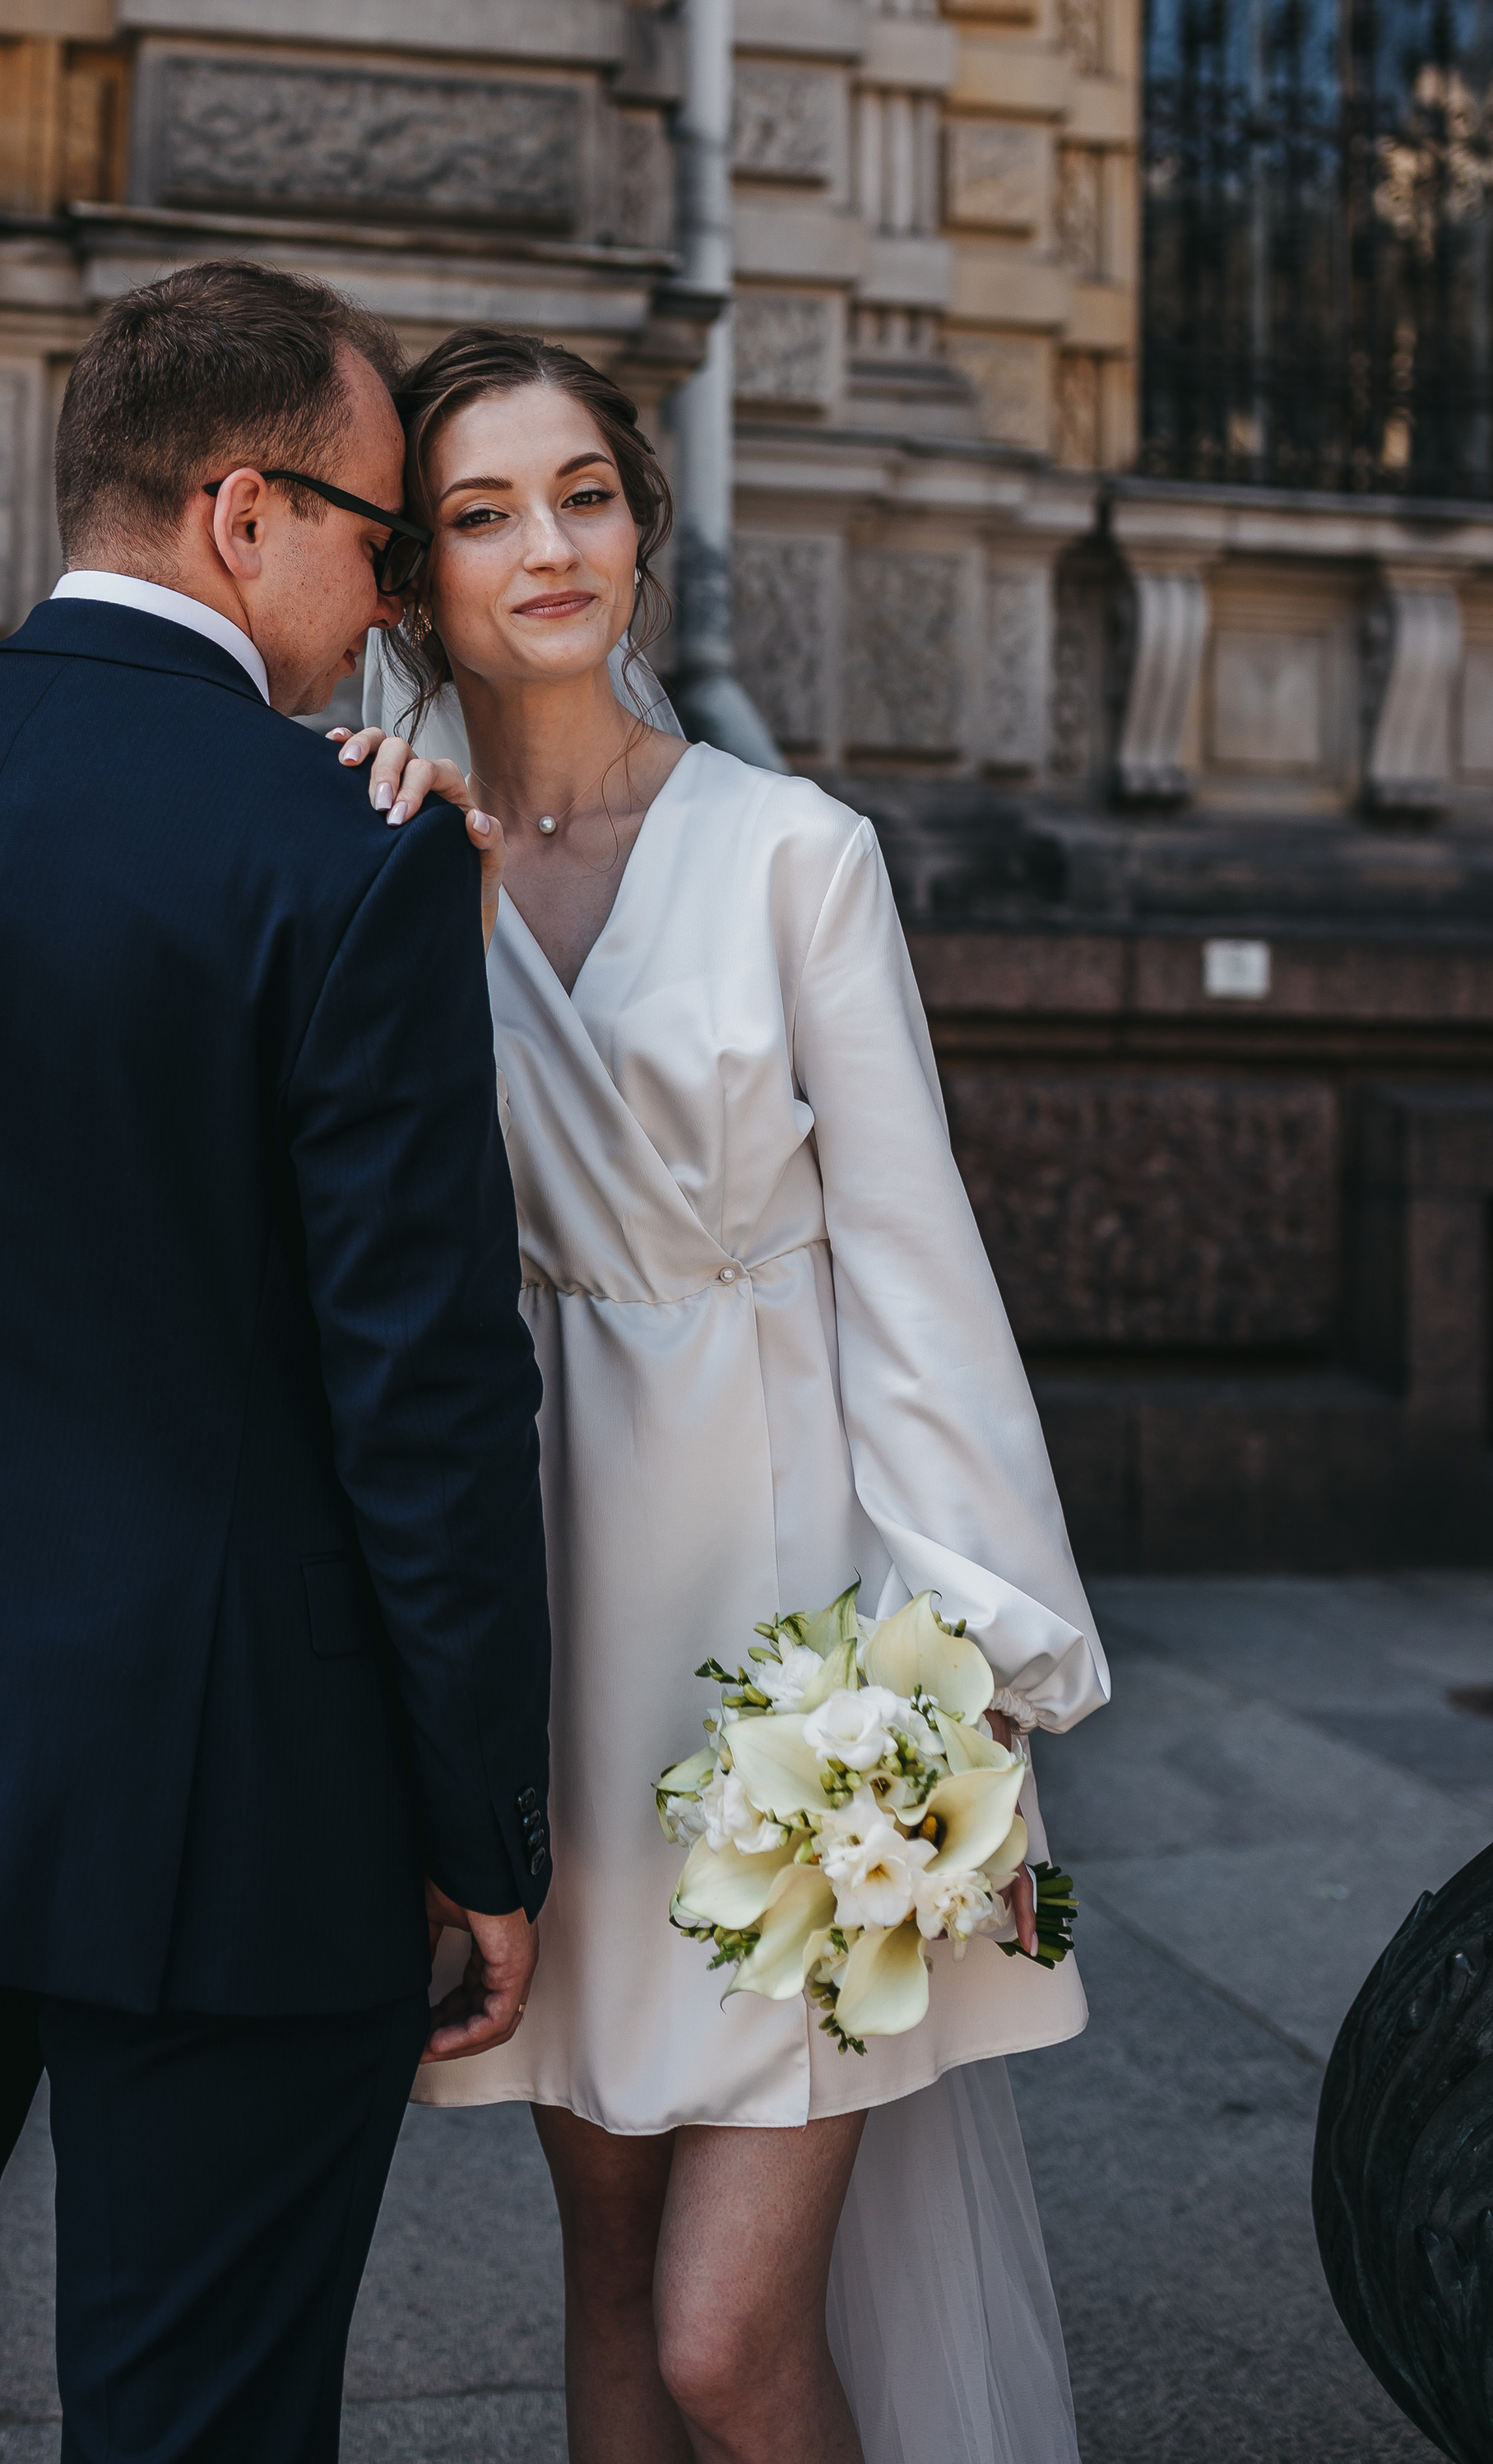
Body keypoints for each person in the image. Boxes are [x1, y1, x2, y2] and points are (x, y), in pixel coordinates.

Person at [0, 261, 552, 2464]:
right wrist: (483, 1836)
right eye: (380, 538)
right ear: (247, 519)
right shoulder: (345, 864)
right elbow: (423, 1400)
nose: (392, 611)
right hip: (233, 1810)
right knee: (194, 2423)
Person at [332, 326, 1110, 2464]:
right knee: (604, 2282)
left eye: (583, 492)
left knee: (716, 2340)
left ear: (643, 535)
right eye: (482, 512)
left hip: (803, 1664)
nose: (547, 545)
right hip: (532, 1651)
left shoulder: (795, 854)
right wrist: (403, 882)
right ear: (409, 577)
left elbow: (919, 1272)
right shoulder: (376, 859)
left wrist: (975, 1670)